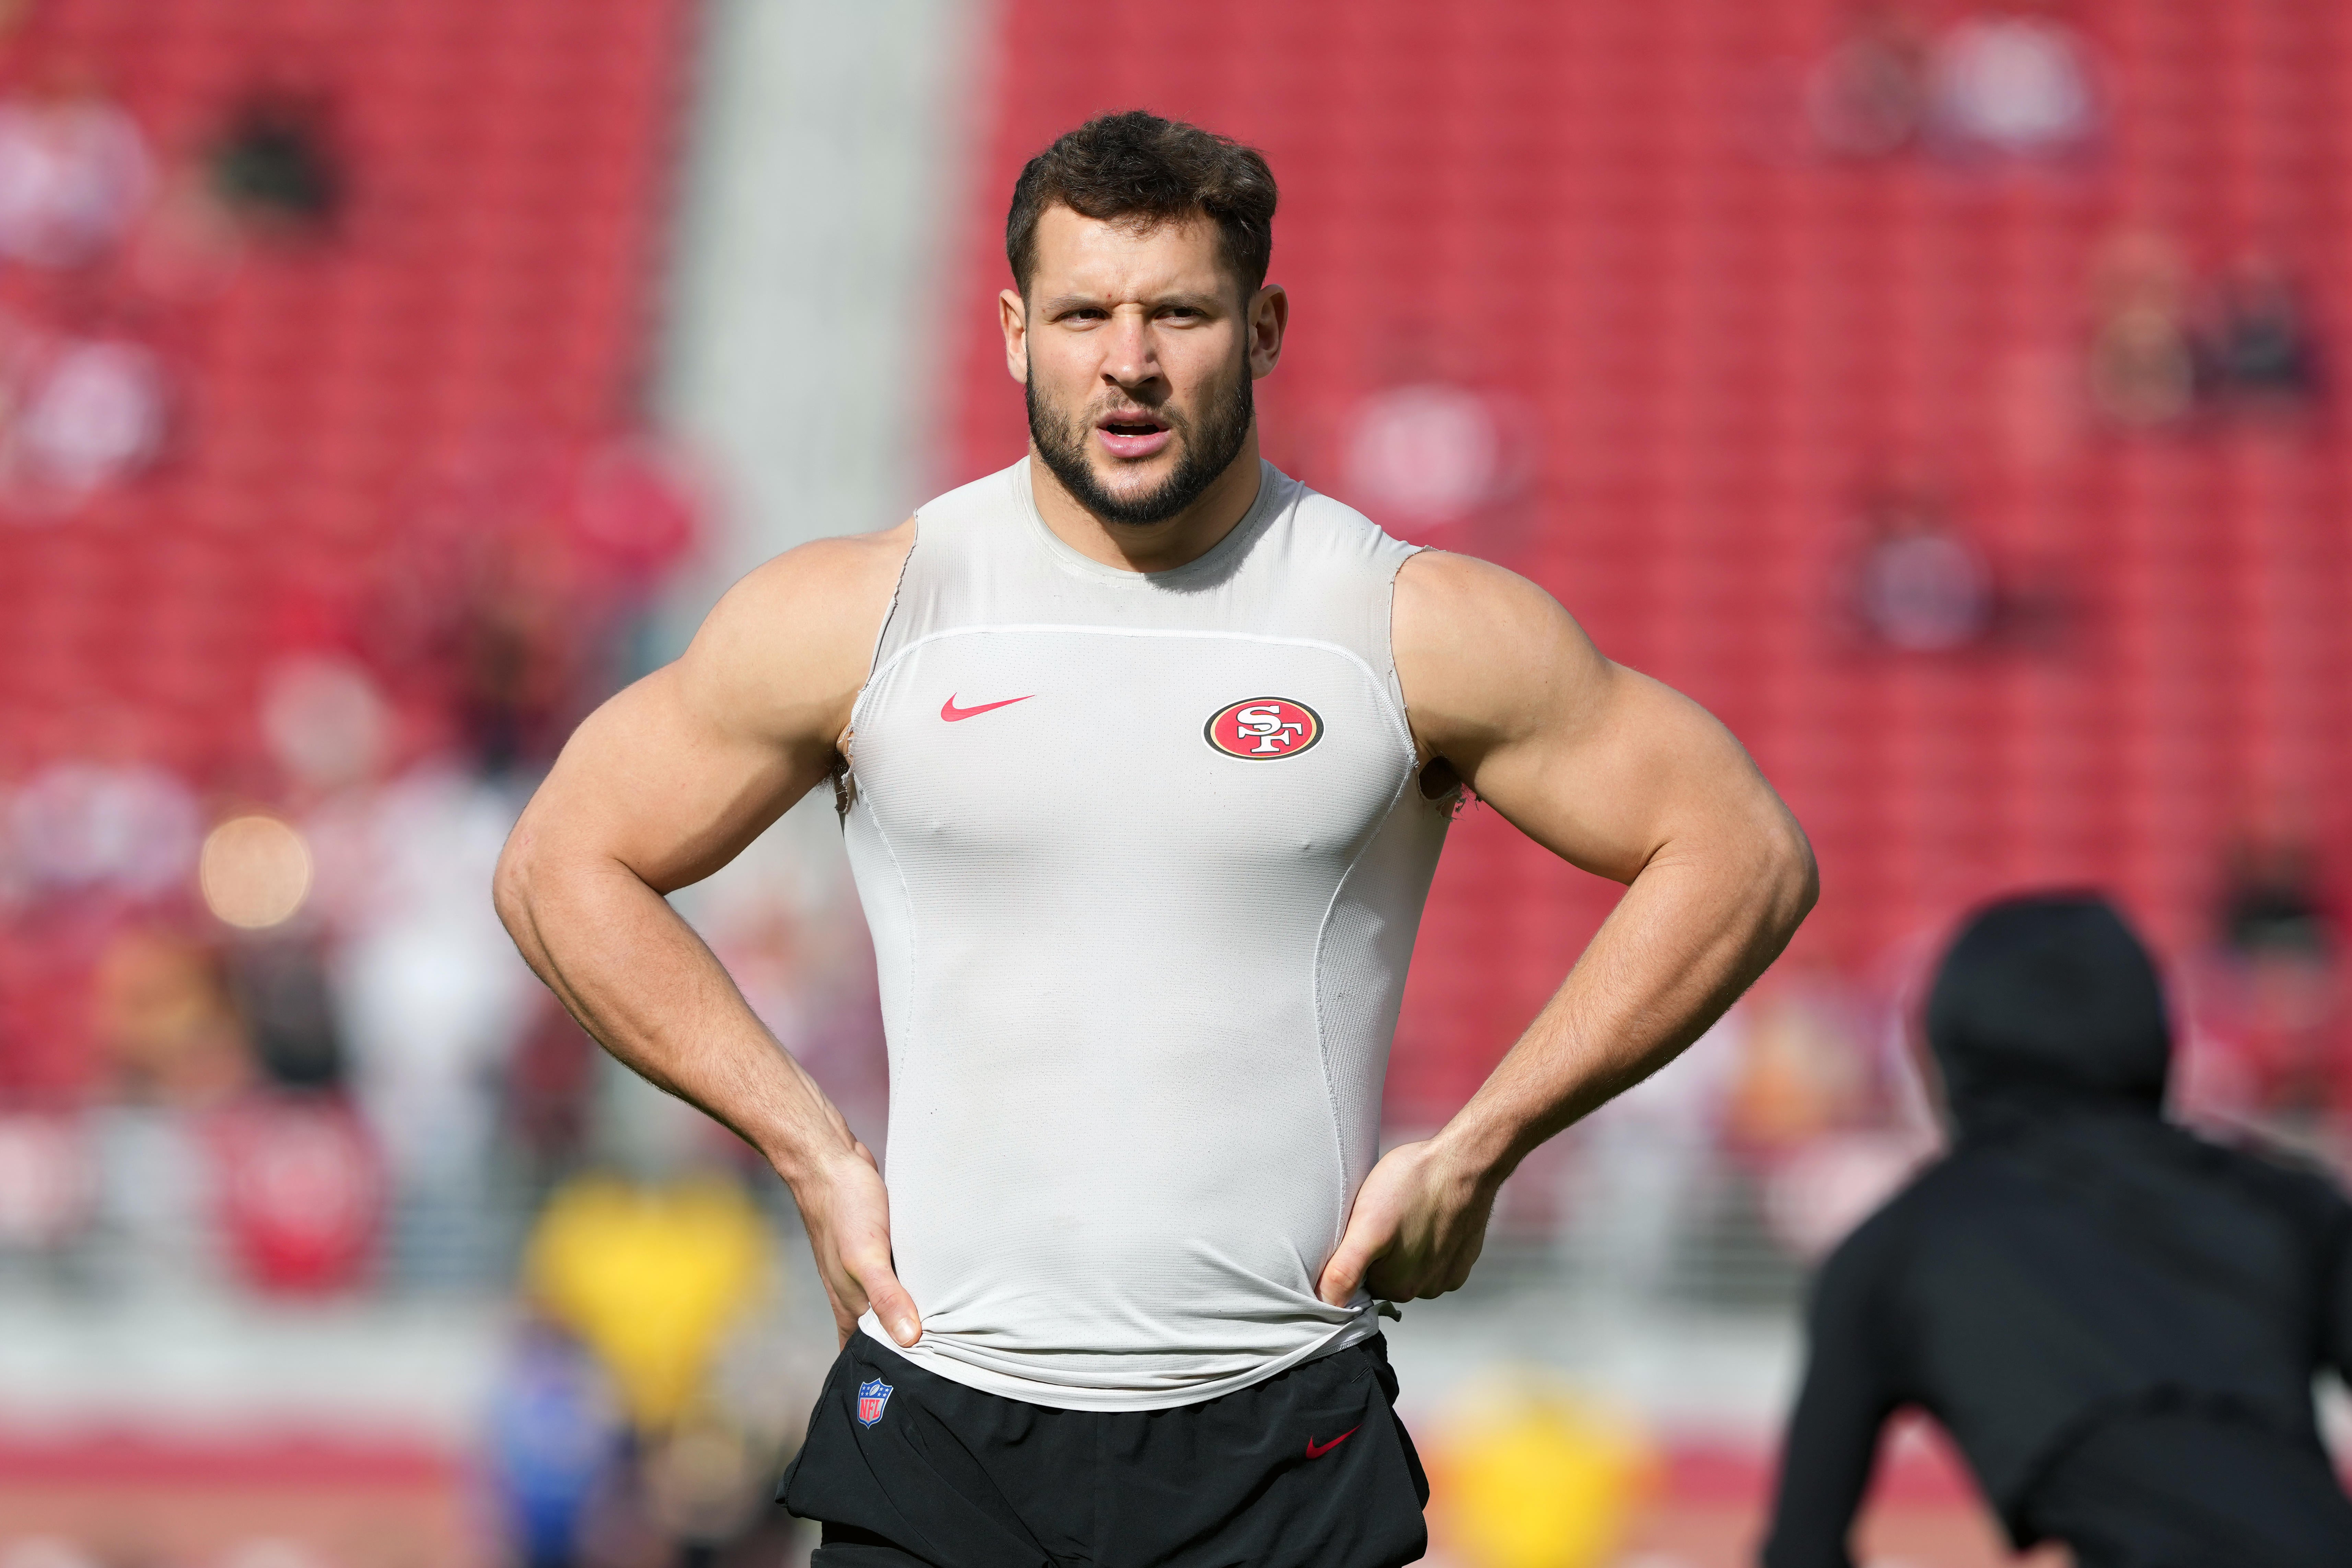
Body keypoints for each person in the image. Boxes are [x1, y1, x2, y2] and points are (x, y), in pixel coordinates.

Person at [496, 110, 1816, 1568]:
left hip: (1277, 1444)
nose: (1126, 357)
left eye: (1177, 312)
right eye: (1082, 314)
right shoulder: (868, 611)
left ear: (1262, 327)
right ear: (1012, 331)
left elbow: (1739, 848)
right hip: (940, 1425)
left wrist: (1484, 1143)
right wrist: (807, 1147)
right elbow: (562, 860)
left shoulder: (1401, 621)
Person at [1762, 893, 2352, 1568]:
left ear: (1950, 1047)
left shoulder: (1898, 1247)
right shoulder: (2288, 1204)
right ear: (2151, 1032)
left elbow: (1801, 1550)